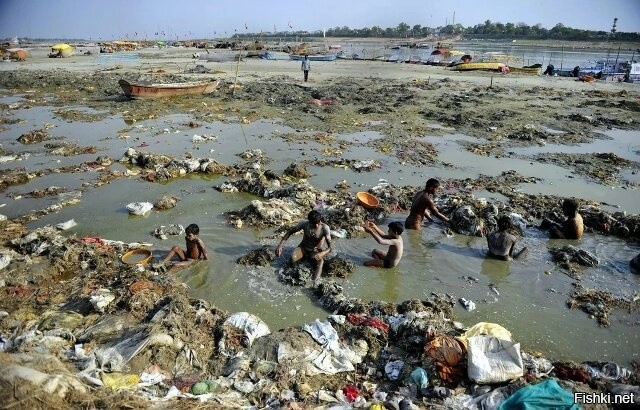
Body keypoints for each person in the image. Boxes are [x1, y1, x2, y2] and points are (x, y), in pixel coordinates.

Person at [275, 210, 332, 286]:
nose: (316, 226)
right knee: (293, 258)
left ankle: (315, 282)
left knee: (320, 261)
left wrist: (322, 253)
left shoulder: (325, 228)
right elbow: (290, 232)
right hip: (303, 248)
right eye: (314, 224)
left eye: (318, 223)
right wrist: (280, 245)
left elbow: (330, 248)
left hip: (314, 251)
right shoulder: (304, 224)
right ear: (309, 222)